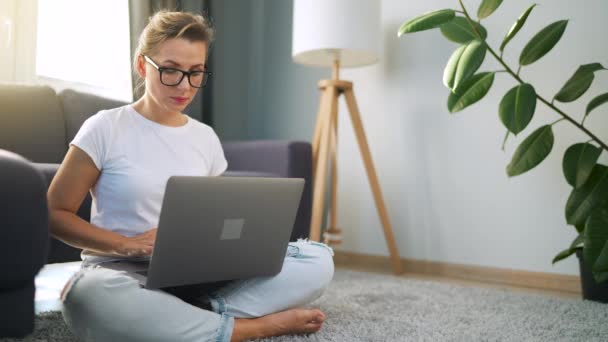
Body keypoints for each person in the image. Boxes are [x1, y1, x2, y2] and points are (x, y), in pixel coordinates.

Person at [47, 10, 334, 342]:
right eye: (170, 71)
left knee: (318, 260)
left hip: (197, 275)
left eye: (195, 72)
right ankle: (250, 327)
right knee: (87, 296)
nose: (184, 86)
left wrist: (234, 252)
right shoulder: (104, 128)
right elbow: (55, 214)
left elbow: (216, 219)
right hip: (121, 274)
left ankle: (186, 315)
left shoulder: (205, 138)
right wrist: (125, 245)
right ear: (143, 66)